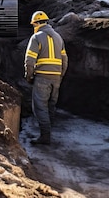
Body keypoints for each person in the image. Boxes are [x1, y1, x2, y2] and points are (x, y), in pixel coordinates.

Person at [24, 10, 68, 145]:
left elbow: (29, 62)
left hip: (42, 77)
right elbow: (65, 61)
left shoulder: (36, 37)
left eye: (34, 25)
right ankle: (48, 131)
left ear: (36, 23)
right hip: (56, 78)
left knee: (40, 107)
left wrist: (29, 76)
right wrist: (60, 76)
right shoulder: (58, 37)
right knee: (51, 105)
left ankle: (45, 137)